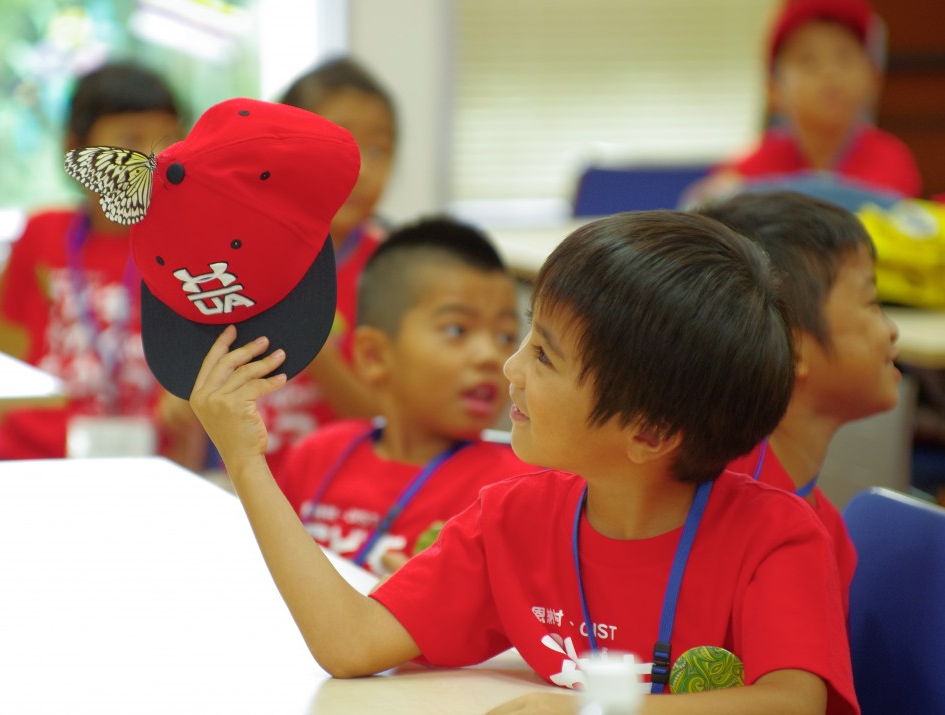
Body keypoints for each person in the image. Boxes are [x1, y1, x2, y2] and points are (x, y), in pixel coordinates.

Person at [189, 211, 858, 714]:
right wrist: (246, 462)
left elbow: (791, 700)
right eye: (528, 336)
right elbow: (351, 642)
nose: (509, 366)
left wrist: (591, 709)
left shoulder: (777, 535)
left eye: (542, 355)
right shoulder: (515, 518)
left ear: (651, 430)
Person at [275, 216, 533, 575]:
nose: (491, 356)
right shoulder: (316, 454)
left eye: (506, 336)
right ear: (375, 356)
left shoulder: (518, 488)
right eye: (458, 329)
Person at [0, 61, 195, 463]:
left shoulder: (189, 252)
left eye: (167, 140)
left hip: (140, 465)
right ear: (75, 150)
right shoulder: (42, 235)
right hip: (26, 456)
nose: (150, 157)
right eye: (130, 138)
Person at [699, 190, 901, 613]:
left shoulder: (824, 528)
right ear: (791, 345)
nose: (892, 330)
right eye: (871, 302)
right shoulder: (709, 506)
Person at [254, 56, 398, 472]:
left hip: (338, 495)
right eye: (340, 145)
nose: (362, 169)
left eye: (378, 150)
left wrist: (306, 332)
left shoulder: (392, 271)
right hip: (239, 485)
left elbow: (383, 421)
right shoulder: (236, 254)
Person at [688, 0, 922, 205]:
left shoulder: (893, 160)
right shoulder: (747, 168)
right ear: (773, 89)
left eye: (845, 57)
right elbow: (704, 202)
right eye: (808, 60)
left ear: (873, 80)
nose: (830, 72)